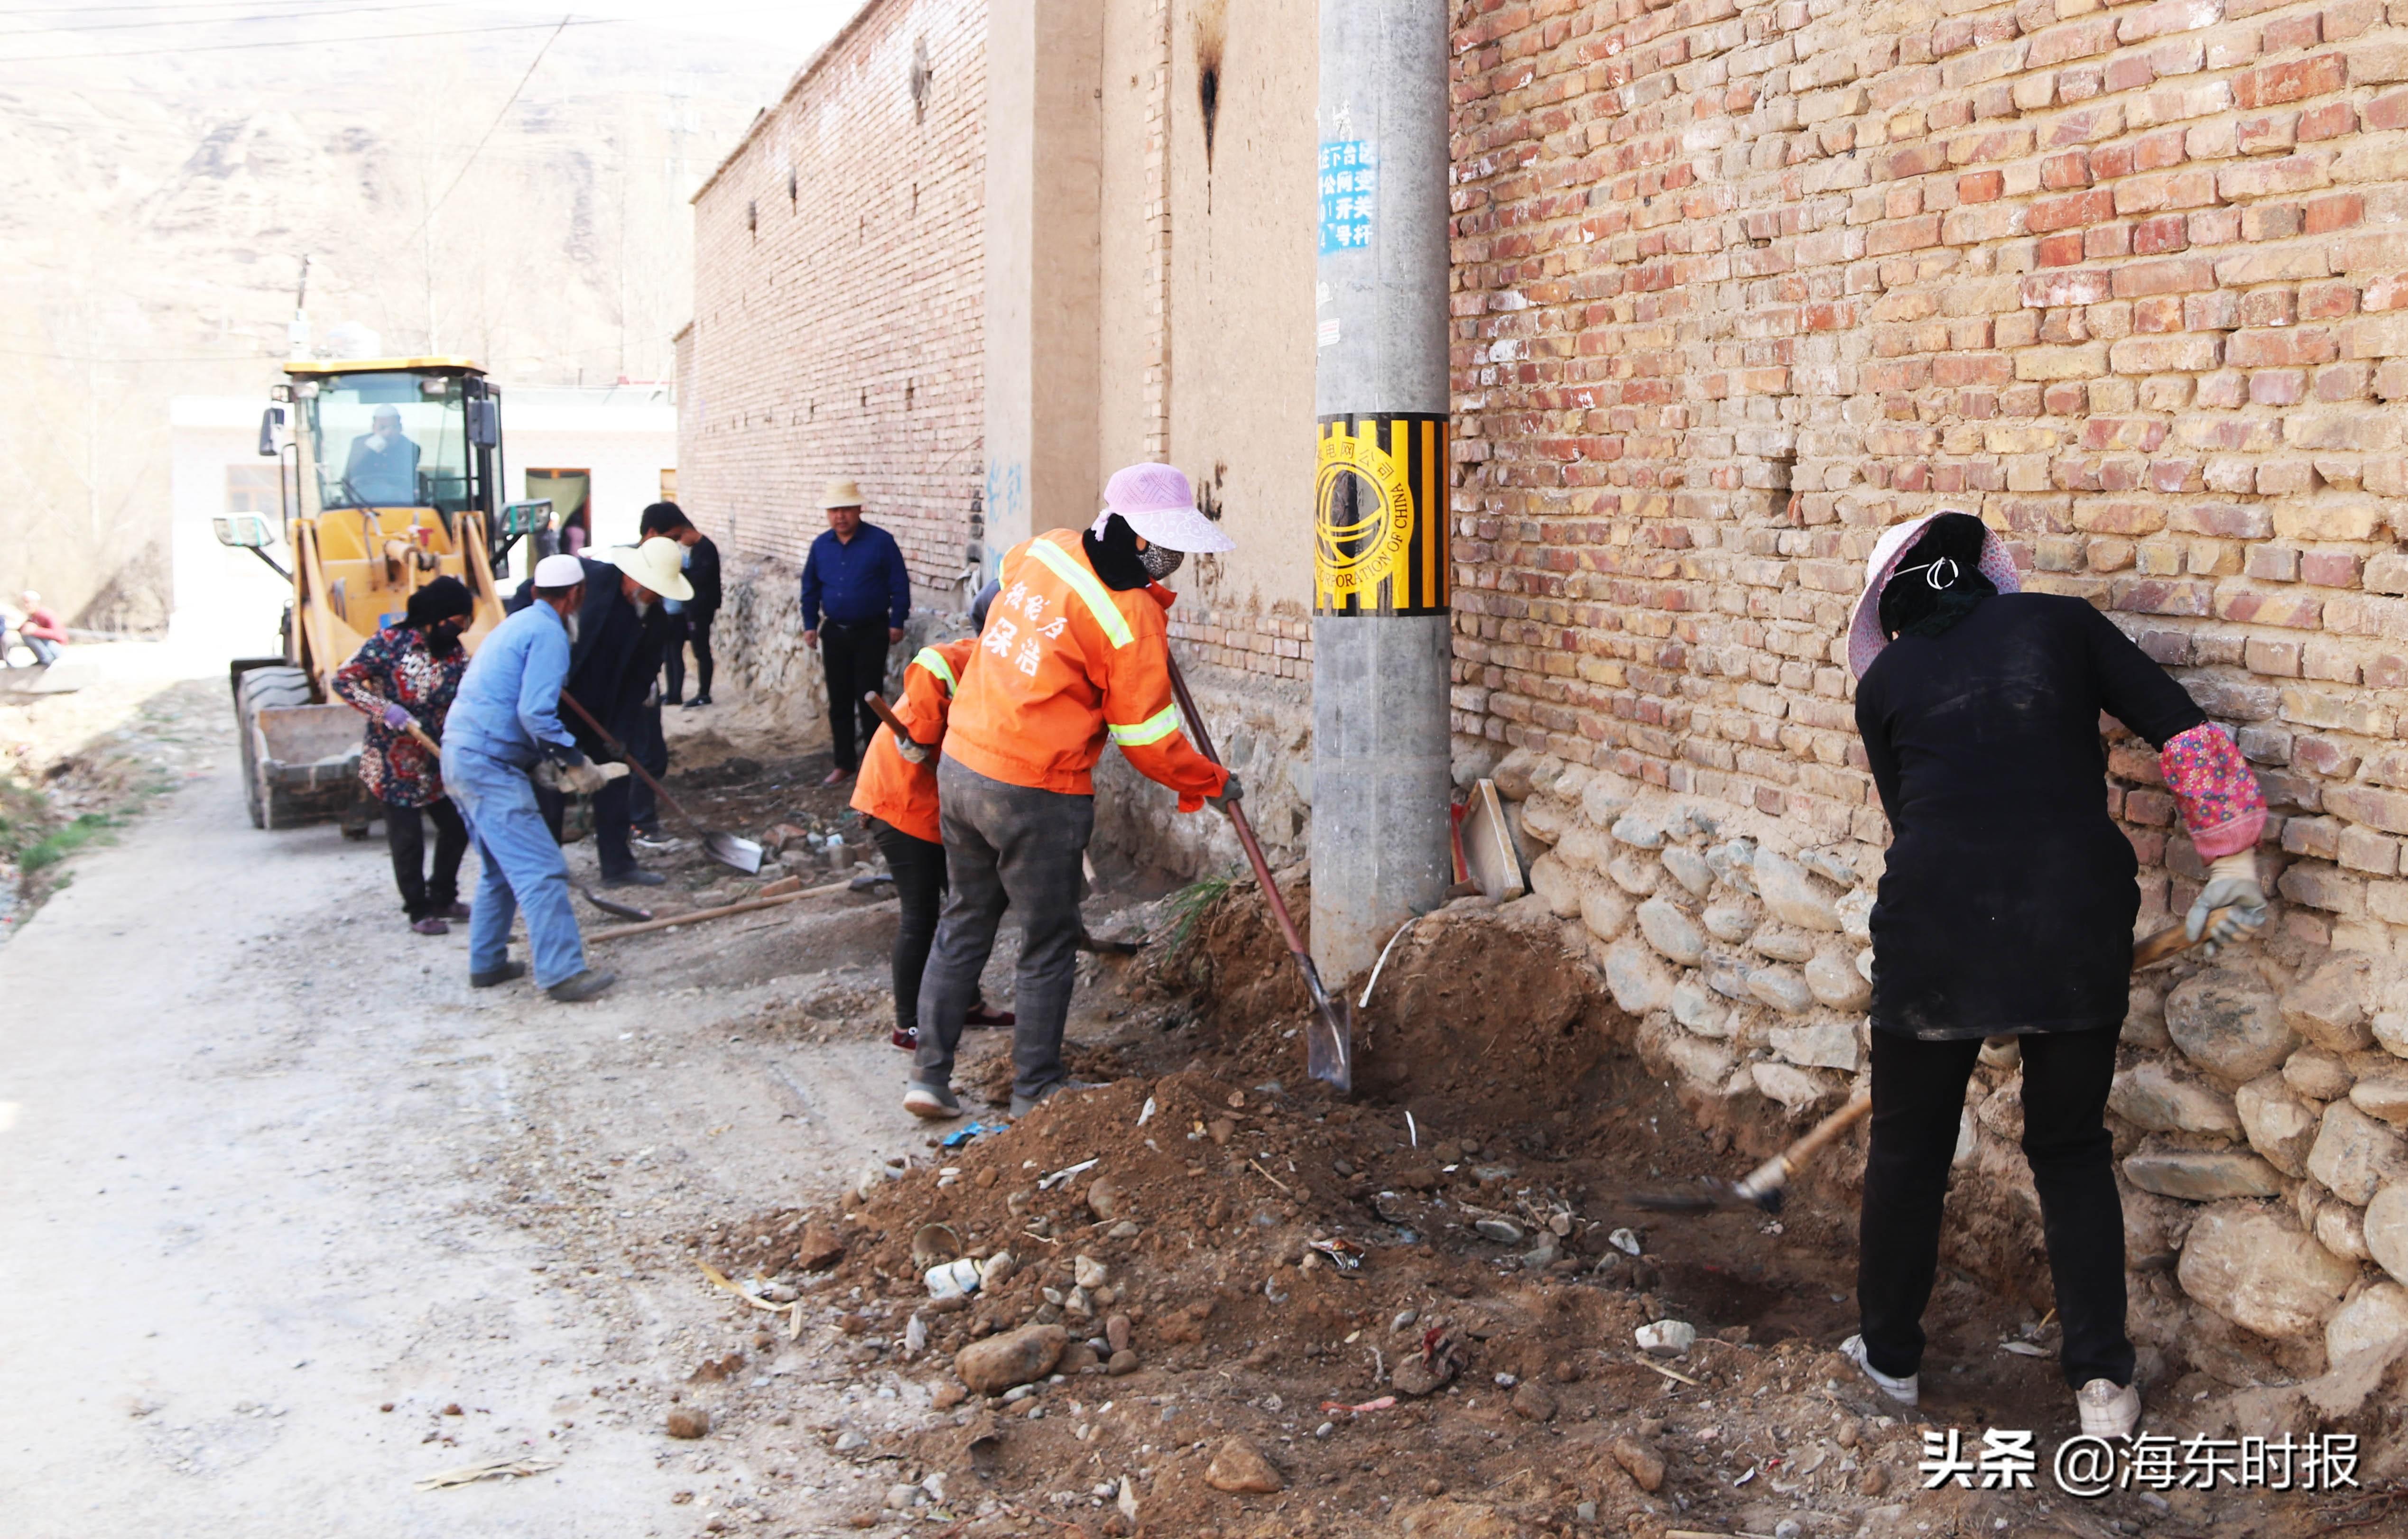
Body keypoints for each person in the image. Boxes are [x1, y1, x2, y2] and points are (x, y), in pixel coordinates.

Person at [1842, 510, 2269, 1441]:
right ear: (1981, 574)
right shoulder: (2065, 624)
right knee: (2068, 1149)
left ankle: (1890, 1362)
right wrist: (2231, 863)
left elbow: (1911, 814)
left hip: (1935, 932)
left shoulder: (1886, 682)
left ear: (1896, 606)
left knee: (1908, 1153)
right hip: (2073, 918)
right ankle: (2104, 1388)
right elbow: (2179, 726)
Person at [906, 463, 1240, 1121]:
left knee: (965, 920)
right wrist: (1212, 780)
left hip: (964, 764)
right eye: (1166, 544)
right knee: (1047, 940)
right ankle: (1037, 1088)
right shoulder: (1133, 614)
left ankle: (929, 1076)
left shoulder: (1048, 549)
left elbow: (1008, 589)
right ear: (1138, 540)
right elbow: (1147, 739)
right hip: (1036, 790)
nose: (1174, 558)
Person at [439, 553, 618, 1003]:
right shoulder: (548, 634)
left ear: (537, 592)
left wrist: (539, 757)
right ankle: (562, 974)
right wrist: (574, 759)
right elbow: (535, 711)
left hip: (461, 754)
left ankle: (488, 963)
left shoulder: (517, 625)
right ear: (576, 596)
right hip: (488, 763)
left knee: (501, 869)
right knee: (541, 870)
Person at [850, 588, 1014, 1052]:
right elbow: (923, 702)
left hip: (950, 804)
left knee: (973, 905)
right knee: (922, 912)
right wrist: (925, 736)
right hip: (901, 797)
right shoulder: (949, 663)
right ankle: (908, 1023)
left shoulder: (1014, 673)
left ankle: (965, 1002)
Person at [508, 539, 692, 885]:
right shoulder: (590, 579)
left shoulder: (656, 624)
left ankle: (618, 866)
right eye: (655, 589)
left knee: (615, 777)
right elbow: (529, 592)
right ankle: (546, 873)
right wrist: (530, 645)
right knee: (551, 787)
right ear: (638, 578)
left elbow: (638, 683)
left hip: (603, 715)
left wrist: (620, 733)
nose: (658, 598)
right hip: (556, 703)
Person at [331, 577, 475, 934]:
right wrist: (383, 709)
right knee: (408, 838)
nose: (461, 629)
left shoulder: (455, 653)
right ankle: (418, 909)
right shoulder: (389, 644)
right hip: (393, 761)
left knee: (457, 828)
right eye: (458, 621)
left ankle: (443, 895)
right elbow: (343, 681)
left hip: (438, 758)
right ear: (437, 617)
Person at [799, 477, 910, 787]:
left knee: (870, 698)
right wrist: (810, 624)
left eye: (846, 509)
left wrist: (897, 620)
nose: (840, 516)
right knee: (839, 700)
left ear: (859, 509)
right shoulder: (821, 546)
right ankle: (844, 763)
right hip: (834, 632)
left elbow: (899, 584)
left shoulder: (881, 542)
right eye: (834, 510)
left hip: (871, 631)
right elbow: (810, 589)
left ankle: (875, 763)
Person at [641, 502, 722, 708]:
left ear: (686, 532)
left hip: (699, 610)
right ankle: (673, 693)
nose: (678, 543)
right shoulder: (696, 550)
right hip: (685, 610)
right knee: (672, 651)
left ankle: (704, 693)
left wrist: (676, 572)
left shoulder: (706, 549)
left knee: (701, 650)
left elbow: (700, 579)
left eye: (678, 538)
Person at [343, 405, 420, 505]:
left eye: (394, 427)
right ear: (374, 428)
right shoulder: (359, 445)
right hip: (361, 502)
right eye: (382, 428)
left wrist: (390, 447)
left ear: (401, 428)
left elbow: (404, 478)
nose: (388, 433)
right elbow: (350, 475)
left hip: (400, 502)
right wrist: (370, 449)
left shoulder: (411, 448)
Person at [15, 592, 65, 666]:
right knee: (25, 635)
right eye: (24, 603)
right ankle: (42, 659)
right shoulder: (33, 616)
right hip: (48, 647)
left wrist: (36, 631)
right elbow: (22, 629)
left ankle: (47, 659)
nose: (26, 606)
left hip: (57, 648)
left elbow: (58, 635)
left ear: (36, 603)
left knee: (28, 636)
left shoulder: (46, 614)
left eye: (28, 603)